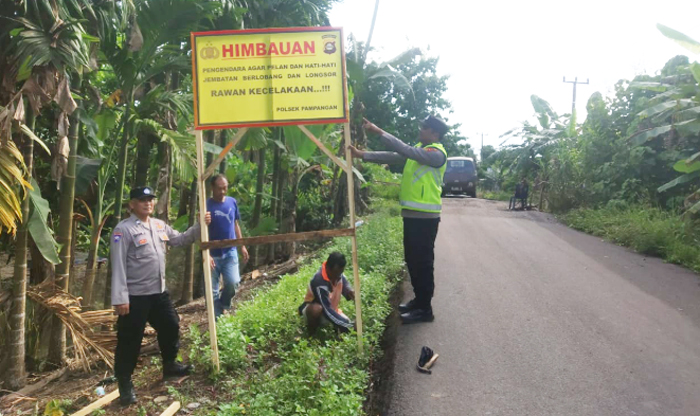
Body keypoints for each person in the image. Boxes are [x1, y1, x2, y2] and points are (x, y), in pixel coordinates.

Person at [110, 186, 211, 406]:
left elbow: (180, 240)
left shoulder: (158, 225)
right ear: (132, 205)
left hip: (158, 293)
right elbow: (117, 265)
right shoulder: (123, 230)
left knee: (171, 324)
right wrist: (120, 298)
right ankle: (125, 384)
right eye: (142, 200)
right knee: (130, 340)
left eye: (150, 199)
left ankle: (169, 365)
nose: (148, 203)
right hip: (135, 297)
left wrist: (199, 224)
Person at [348, 115, 448, 324]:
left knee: (423, 263)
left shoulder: (436, 153)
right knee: (412, 260)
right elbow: (394, 156)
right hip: (412, 215)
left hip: (425, 219)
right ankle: (418, 301)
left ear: (435, 134)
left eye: (425, 128)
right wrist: (361, 154)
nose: (421, 130)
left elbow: (405, 151)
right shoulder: (420, 149)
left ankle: (425, 309)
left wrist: (379, 131)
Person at [207, 174, 249, 318]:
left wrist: (241, 245)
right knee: (212, 290)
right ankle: (218, 320)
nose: (223, 191)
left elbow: (235, 225)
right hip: (212, 254)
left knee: (233, 282)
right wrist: (206, 254)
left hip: (230, 251)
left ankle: (224, 304)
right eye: (219, 189)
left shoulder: (232, 202)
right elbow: (201, 230)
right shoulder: (206, 205)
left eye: (225, 188)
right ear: (212, 188)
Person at [298, 252, 355, 334]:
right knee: (316, 309)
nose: (338, 277)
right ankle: (312, 333)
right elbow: (326, 310)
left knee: (347, 327)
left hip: (332, 309)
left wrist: (350, 292)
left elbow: (346, 288)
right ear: (328, 268)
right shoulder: (319, 281)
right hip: (317, 310)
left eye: (340, 273)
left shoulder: (338, 274)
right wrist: (347, 325)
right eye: (336, 273)